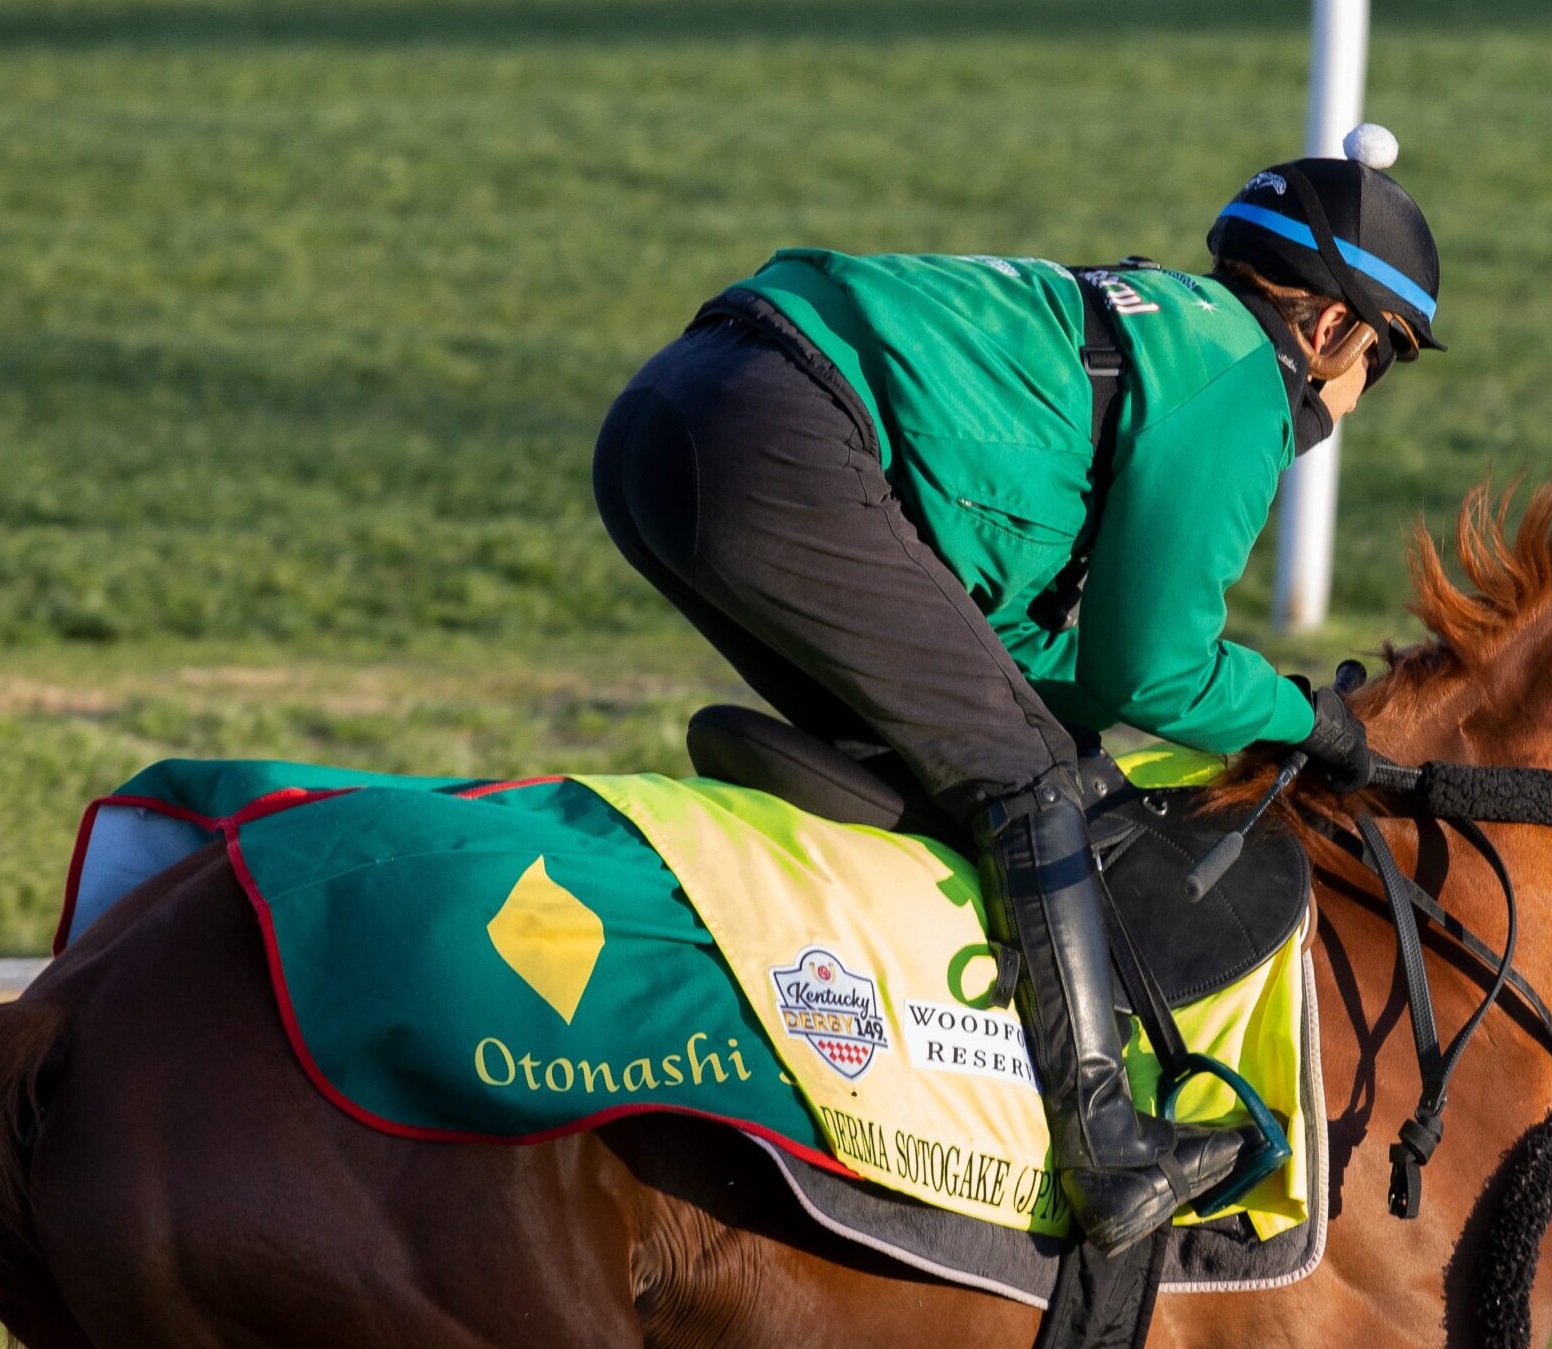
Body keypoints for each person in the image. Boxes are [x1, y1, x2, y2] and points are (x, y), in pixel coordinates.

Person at [593, 127, 1444, 1254]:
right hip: (778, 435)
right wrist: (1307, 719)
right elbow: (1157, 670)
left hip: (670, 413)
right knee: (1025, 776)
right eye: (1381, 363)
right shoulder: (1242, 375)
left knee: (956, 744)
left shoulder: (1154, 319)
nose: (1357, 400)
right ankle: (1109, 1152)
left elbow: (1023, 656)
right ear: (1333, 330)